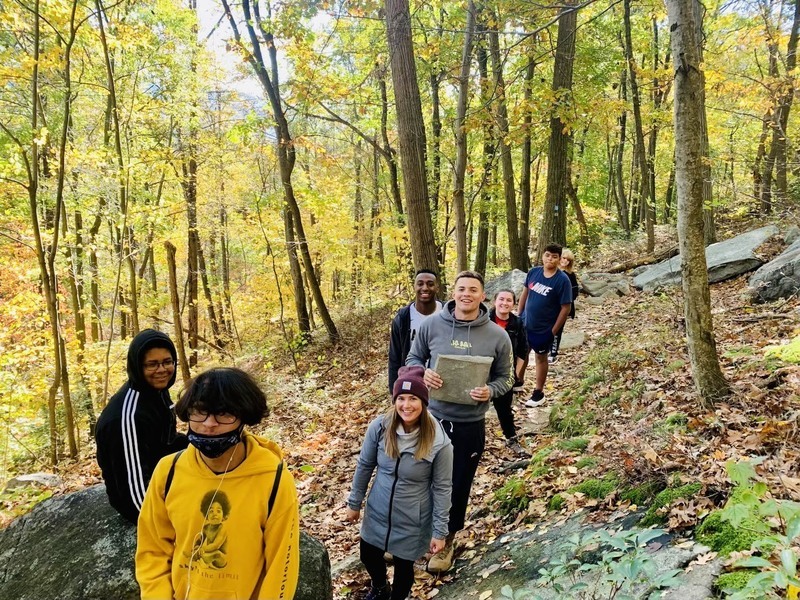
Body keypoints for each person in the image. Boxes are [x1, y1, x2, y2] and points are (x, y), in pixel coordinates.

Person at [136, 367, 299, 600]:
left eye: (224, 413)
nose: (209, 423)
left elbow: (282, 564)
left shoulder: (273, 478)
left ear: (244, 416)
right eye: (200, 411)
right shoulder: (168, 471)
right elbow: (152, 550)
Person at [406, 270, 514, 573]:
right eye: (461, 289)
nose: (466, 294)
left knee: (457, 484)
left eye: (473, 290)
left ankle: (447, 541)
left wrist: (490, 390)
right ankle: (414, 538)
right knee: (420, 478)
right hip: (431, 420)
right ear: (453, 293)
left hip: (469, 424)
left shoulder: (497, 335)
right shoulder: (431, 325)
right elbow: (412, 359)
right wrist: (422, 374)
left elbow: (507, 378)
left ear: (483, 295)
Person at [346, 365, 453, 600]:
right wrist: (354, 502)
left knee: (404, 569)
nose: (406, 405)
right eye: (401, 398)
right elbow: (365, 465)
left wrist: (439, 531)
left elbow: (443, 488)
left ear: (423, 401)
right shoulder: (380, 427)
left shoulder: (440, 442)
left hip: (412, 517)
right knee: (368, 555)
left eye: (413, 398)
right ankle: (380, 587)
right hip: (378, 509)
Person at [96, 329, 188, 524]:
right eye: (152, 364)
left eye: (167, 362)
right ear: (137, 366)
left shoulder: (157, 392)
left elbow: (166, 441)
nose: (162, 370)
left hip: (167, 478)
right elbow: (134, 497)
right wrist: (173, 526)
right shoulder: (128, 416)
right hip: (146, 503)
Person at [518, 243, 573, 408]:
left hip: (544, 328)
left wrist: (553, 331)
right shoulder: (533, 272)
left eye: (554, 257)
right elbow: (525, 294)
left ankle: (538, 392)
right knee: (522, 353)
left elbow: (566, 308)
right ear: (542, 256)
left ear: (559, 259)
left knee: (540, 358)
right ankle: (518, 381)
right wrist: (519, 315)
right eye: (547, 255)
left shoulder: (562, 280)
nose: (550, 259)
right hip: (526, 323)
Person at [488, 290, 529, 456]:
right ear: (494, 301)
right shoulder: (484, 319)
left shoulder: (517, 323)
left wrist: (515, 374)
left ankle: (511, 439)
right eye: (501, 299)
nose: (504, 303)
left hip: (504, 372)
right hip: (482, 370)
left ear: (513, 304)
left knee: (504, 408)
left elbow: (523, 350)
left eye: (509, 300)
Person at [388, 269, 443, 392]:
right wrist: (394, 391)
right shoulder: (402, 318)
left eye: (430, 284)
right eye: (420, 284)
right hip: (412, 381)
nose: (425, 288)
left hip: (441, 381)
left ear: (437, 288)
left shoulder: (447, 313)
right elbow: (395, 357)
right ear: (414, 287)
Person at [549, 248, 580, 364]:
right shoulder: (551, 272)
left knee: (557, 330)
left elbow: (575, 292)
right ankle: (545, 349)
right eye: (564, 258)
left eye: (568, 259)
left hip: (562, 308)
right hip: (548, 307)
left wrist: (565, 301)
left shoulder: (570, 275)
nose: (565, 261)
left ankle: (553, 353)